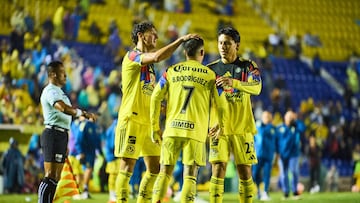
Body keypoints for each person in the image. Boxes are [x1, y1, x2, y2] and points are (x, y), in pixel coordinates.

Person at [114, 21, 199, 203]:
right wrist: (180, 41)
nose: (156, 37)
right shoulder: (132, 56)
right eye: (153, 33)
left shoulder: (150, 67)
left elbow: (149, 91)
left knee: (155, 168)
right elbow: (157, 57)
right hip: (132, 119)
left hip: (148, 123)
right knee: (127, 165)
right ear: (141, 35)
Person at [150, 37, 222, 203]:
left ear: (184, 52)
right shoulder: (211, 76)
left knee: (164, 173)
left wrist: (154, 127)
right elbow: (222, 105)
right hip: (195, 132)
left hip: (172, 130)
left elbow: (155, 97)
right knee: (190, 175)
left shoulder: (171, 71)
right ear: (202, 52)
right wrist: (221, 125)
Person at [207, 26, 262, 203]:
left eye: (227, 43)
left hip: (242, 127)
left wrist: (235, 83)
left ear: (236, 45)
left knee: (245, 171)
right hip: (218, 128)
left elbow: (257, 88)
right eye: (220, 43)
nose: (223, 46)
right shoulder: (210, 69)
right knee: (218, 168)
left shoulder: (248, 66)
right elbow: (204, 100)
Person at [37, 60, 96, 203]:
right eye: (62, 72)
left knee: (56, 177)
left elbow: (65, 115)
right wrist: (83, 113)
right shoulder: (50, 90)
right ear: (52, 74)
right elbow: (62, 108)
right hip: (53, 134)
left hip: (61, 134)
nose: (65, 76)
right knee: (50, 175)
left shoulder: (60, 92)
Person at [275, 110, 303, 200]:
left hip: (294, 154)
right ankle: (286, 192)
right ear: (285, 117)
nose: (290, 118)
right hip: (282, 155)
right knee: (283, 174)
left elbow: (303, 128)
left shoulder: (296, 126)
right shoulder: (279, 128)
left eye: (291, 116)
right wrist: (277, 152)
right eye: (288, 116)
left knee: (294, 171)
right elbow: (275, 141)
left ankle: (295, 192)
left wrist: (296, 120)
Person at [252, 111, 276, 201]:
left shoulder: (272, 128)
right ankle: (258, 190)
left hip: (268, 155)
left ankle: (265, 191)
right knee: (255, 174)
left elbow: (274, 139)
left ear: (270, 118)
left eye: (267, 116)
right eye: (264, 116)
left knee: (267, 174)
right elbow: (255, 137)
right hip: (257, 154)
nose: (266, 118)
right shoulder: (258, 126)